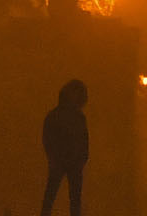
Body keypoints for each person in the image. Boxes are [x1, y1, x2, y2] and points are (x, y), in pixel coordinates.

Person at [40, 80, 88, 216]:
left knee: (51, 194)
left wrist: (53, 157)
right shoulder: (78, 117)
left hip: (61, 161)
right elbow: (84, 140)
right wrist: (82, 158)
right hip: (71, 162)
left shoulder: (54, 115)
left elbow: (47, 138)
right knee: (74, 199)